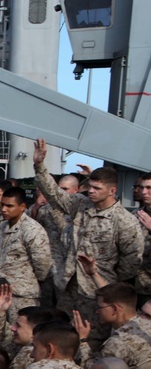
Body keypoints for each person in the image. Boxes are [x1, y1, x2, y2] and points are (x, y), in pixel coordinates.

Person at [33, 138, 143, 342]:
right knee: (61, 336)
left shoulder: (124, 222)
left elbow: (131, 262)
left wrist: (107, 279)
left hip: (97, 293)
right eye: (90, 186)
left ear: (112, 191)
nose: (91, 191)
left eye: (97, 188)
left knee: (92, 340)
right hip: (68, 287)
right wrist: (40, 167)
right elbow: (55, 195)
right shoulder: (81, 205)